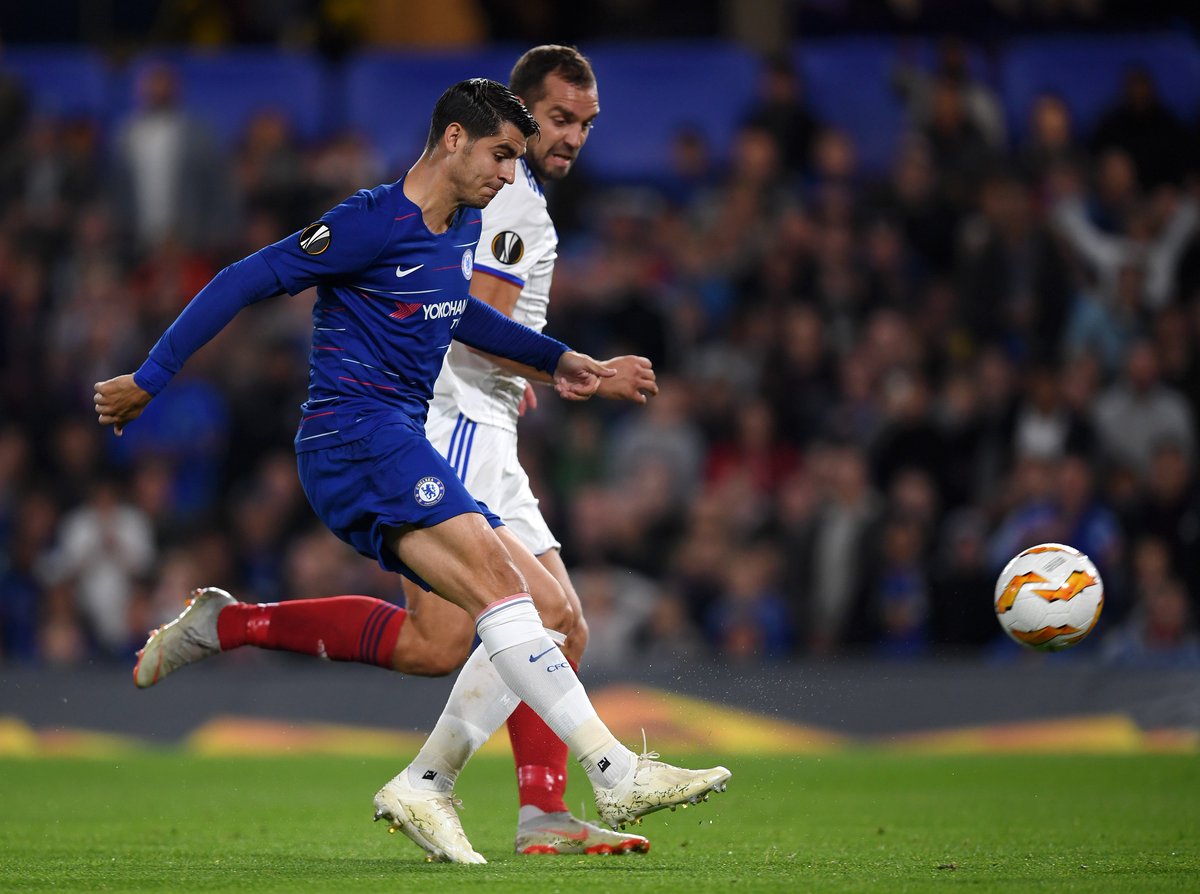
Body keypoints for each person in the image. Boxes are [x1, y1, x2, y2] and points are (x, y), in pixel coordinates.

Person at [94, 78, 730, 864]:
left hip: (391, 443)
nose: (508, 174)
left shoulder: (457, 225)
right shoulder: (369, 221)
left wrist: (567, 363)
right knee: (517, 598)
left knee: (485, 623)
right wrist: (149, 378)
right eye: (500, 154)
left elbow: (459, 312)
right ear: (454, 140)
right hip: (356, 438)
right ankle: (609, 771)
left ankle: (237, 633)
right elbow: (244, 279)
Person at [387, 46, 663, 858]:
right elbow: (472, 313)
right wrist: (579, 367)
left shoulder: (513, 195)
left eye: (586, 123)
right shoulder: (516, 201)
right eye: (558, 119)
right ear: (519, 112)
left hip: (487, 416)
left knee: (564, 629)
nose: (574, 136)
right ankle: (428, 780)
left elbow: (470, 314)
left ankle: (542, 816)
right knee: (516, 622)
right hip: (462, 420)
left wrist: (522, 366)